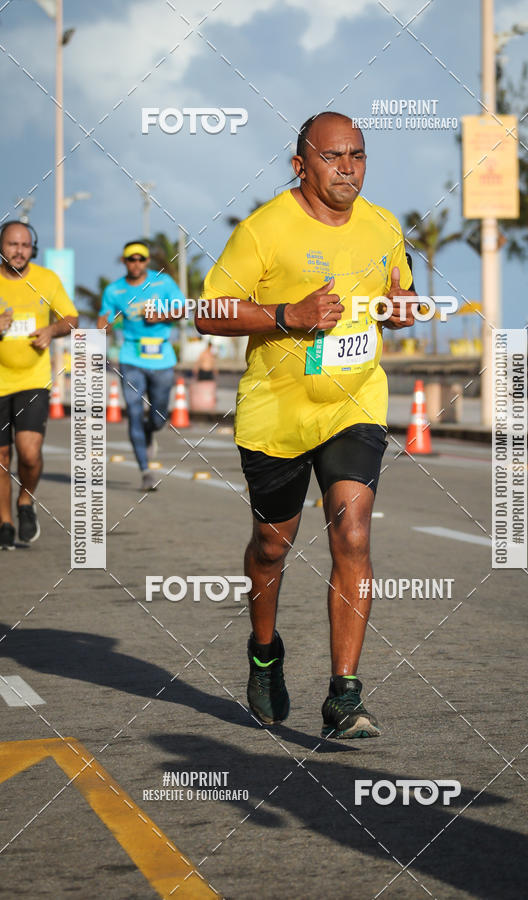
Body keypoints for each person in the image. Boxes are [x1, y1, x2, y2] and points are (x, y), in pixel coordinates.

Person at [197, 111, 417, 738]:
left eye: (358, 155)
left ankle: (344, 694)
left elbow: (397, 295)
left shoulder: (383, 225)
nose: (348, 168)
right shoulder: (264, 229)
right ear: (300, 165)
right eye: (332, 156)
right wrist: (286, 314)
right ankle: (265, 652)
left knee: (353, 532)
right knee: (273, 546)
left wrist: (402, 310)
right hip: (277, 413)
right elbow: (208, 312)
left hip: (354, 403)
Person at [0, 221, 78, 549]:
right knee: (2, 456)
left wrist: (51, 330)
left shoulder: (47, 279)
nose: (19, 251)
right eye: (12, 244)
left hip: (33, 380)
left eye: (25, 245)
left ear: (33, 248)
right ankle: (4, 521)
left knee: (29, 454)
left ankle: (25, 500)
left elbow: (71, 318)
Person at [97, 241, 185, 491]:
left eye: (140, 259)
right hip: (131, 357)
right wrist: (104, 325)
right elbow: (105, 318)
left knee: (159, 418)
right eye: (131, 259)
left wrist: (161, 315)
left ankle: (150, 430)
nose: (136, 263)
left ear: (147, 261)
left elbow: (182, 309)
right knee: (134, 412)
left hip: (162, 356)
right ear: (124, 262)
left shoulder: (163, 282)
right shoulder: (114, 290)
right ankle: (146, 471)